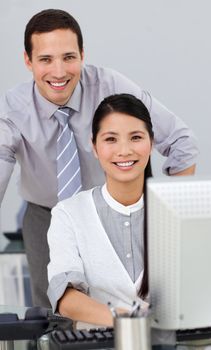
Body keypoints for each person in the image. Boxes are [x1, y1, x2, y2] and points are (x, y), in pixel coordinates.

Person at [0, 9, 198, 308]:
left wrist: (169, 218)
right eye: (45, 59)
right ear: (28, 61)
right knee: (55, 315)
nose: (58, 71)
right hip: (46, 214)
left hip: (119, 209)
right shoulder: (12, 111)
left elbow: (182, 142)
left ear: (82, 53)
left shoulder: (110, 87)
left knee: (149, 305)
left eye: (68, 57)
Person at [47, 93, 153, 326]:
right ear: (94, 146)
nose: (124, 150)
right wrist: (127, 323)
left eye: (136, 137)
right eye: (111, 139)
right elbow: (65, 296)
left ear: (151, 143)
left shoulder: (175, 209)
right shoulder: (68, 214)